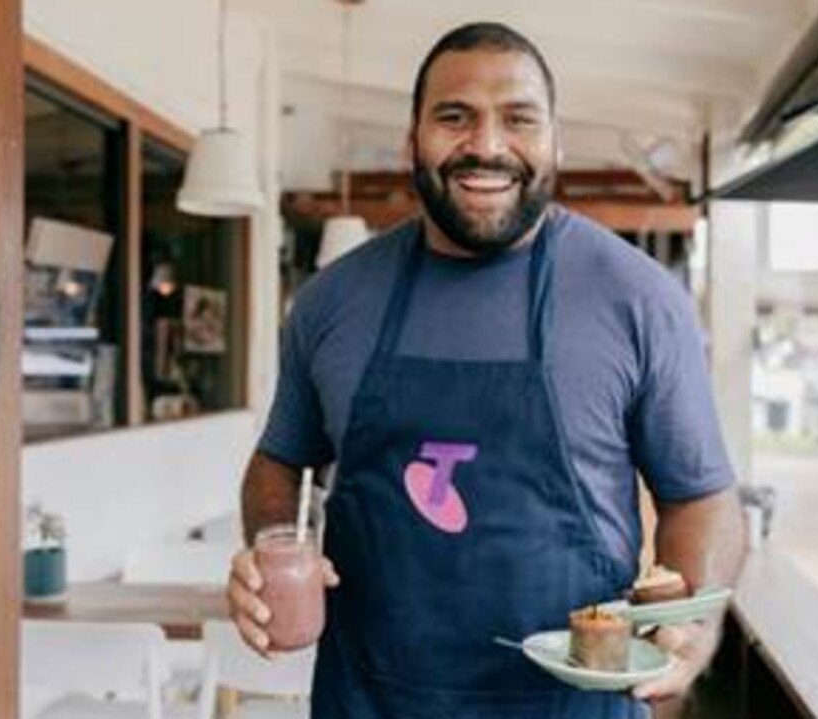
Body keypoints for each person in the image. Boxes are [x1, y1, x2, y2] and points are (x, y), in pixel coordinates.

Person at [228, 21, 745, 718]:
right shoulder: (331, 301)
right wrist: (269, 547)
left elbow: (701, 495)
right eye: (454, 116)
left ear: (555, 142)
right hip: (370, 700)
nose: (486, 144)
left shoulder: (639, 297)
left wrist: (692, 625)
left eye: (518, 119)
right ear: (411, 140)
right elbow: (278, 460)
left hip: (569, 704)